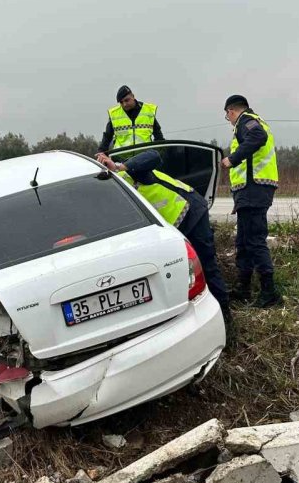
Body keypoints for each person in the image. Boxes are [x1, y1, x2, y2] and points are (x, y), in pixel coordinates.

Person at [98, 150, 234, 338]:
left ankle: (226, 320)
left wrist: (120, 166)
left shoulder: (129, 172)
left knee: (207, 266)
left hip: (191, 211)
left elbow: (153, 155)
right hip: (174, 229)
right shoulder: (111, 201)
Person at [220, 95, 282, 307]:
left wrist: (232, 158)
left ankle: (270, 293)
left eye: (227, 115)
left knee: (254, 240)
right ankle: (243, 288)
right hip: (250, 190)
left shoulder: (247, 121)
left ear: (231, 111)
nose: (228, 120)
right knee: (244, 241)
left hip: (254, 187)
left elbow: (257, 137)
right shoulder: (252, 120)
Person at [96, 85, 164, 156]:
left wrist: (158, 154)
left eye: (126, 100)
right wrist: (101, 153)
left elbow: (159, 137)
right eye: (121, 102)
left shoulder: (148, 111)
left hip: (144, 160)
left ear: (133, 96)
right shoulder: (114, 115)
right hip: (121, 161)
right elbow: (107, 137)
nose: (124, 104)